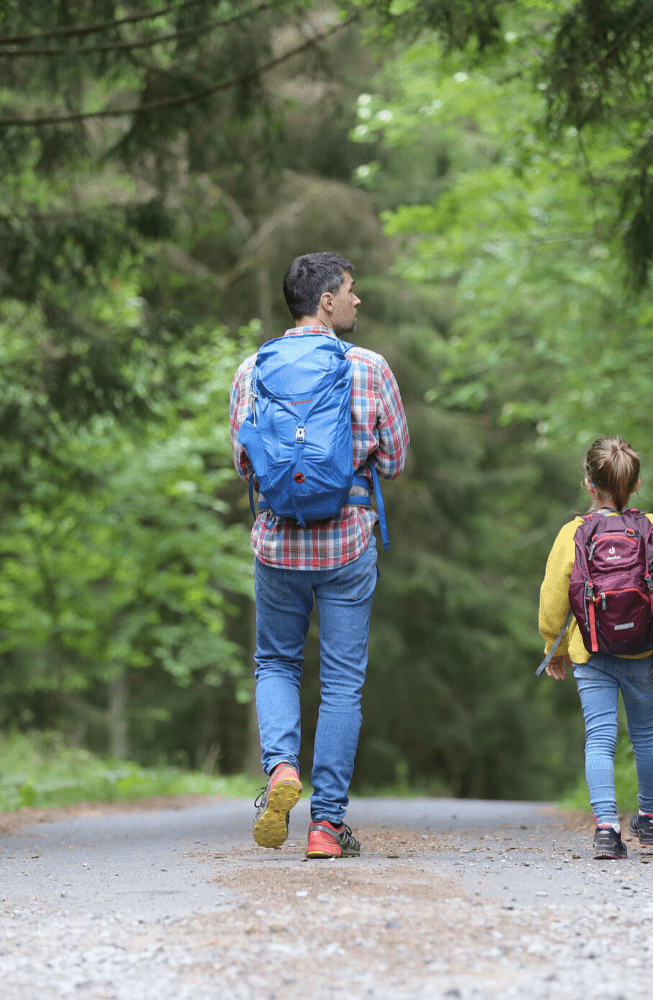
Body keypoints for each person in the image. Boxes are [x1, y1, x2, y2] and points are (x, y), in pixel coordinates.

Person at [229, 251, 409, 859]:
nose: (358, 300)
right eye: (350, 290)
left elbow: (245, 463)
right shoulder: (369, 367)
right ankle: (326, 826)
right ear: (326, 302)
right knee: (341, 684)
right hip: (346, 543)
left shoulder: (252, 369)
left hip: (278, 543)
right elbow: (395, 460)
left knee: (276, 663)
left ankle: (281, 768)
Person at [538, 437, 653, 859]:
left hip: (592, 654)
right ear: (636, 483)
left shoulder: (573, 533)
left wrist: (554, 649)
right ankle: (651, 820)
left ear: (589, 483)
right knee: (645, 735)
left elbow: (552, 605)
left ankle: (607, 829)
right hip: (643, 653)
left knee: (600, 738)